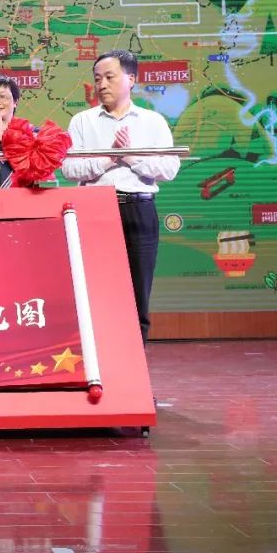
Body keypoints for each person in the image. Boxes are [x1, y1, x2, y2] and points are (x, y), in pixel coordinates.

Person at [61, 49, 180, 345]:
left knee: (138, 291)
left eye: (109, 77)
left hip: (139, 210)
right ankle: (100, 364)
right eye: (97, 78)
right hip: (95, 211)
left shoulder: (152, 121)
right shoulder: (82, 122)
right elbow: (69, 169)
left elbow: (169, 168)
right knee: (96, 291)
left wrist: (131, 157)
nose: (101, 84)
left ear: (131, 79)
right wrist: (109, 158)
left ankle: (135, 368)